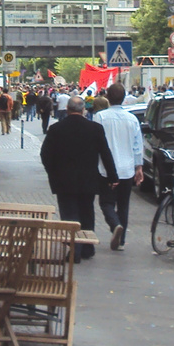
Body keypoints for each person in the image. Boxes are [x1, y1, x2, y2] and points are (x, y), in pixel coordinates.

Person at [39, 97, 117, 260]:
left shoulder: (56, 129)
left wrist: (52, 172)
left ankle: (75, 248)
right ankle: (87, 247)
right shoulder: (95, 128)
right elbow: (105, 153)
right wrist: (112, 176)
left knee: (69, 213)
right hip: (88, 179)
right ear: (83, 110)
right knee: (87, 212)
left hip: (64, 180)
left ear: (67, 109)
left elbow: (45, 154)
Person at [94, 83, 143, 250]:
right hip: (127, 168)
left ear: (107, 97)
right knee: (123, 204)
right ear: (124, 98)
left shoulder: (100, 117)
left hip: (106, 169)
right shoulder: (132, 119)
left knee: (106, 203)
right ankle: (121, 240)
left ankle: (115, 225)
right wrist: (139, 167)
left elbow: (96, 144)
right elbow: (137, 145)